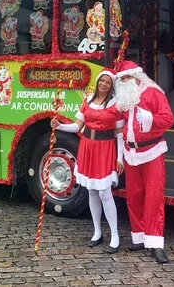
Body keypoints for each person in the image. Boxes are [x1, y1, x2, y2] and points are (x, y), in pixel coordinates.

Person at [51, 68, 125, 253]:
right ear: (98, 82)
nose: (104, 84)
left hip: (106, 149)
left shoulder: (116, 106)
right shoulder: (87, 102)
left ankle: (115, 235)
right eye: (102, 81)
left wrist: (120, 158)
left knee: (105, 193)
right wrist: (60, 126)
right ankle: (97, 232)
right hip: (88, 147)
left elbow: (120, 134)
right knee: (92, 191)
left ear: (111, 85)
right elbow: (77, 126)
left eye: (108, 82)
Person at [113, 60, 174, 264]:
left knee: (154, 198)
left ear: (136, 77)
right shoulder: (123, 97)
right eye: (121, 78)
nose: (124, 81)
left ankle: (156, 244)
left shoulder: (153, 93)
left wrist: (150, 119)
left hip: (152, 151)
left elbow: (169, 119)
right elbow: (119, 127)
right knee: (134, 196)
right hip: (131, 154)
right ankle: (139, 238)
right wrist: (119, 156)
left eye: (127, 77)